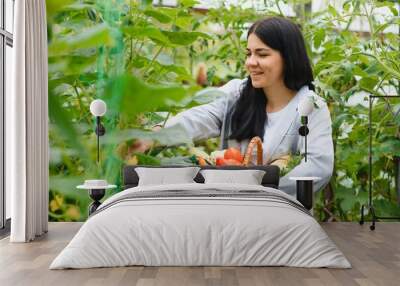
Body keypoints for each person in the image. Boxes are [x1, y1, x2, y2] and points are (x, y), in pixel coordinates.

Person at [139, 17, 333, 196]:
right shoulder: (237, 93)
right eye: (249, 53)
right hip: (230, 206)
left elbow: (317, 166)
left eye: (262, 54)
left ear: (288, 57)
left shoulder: (311, 106)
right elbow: (200, 117)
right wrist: (155, 136)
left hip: (281, 209)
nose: (251, 62)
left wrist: (262, 191)